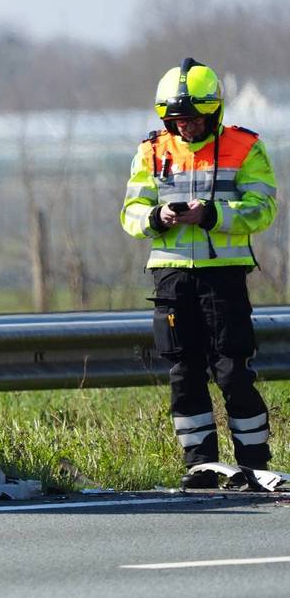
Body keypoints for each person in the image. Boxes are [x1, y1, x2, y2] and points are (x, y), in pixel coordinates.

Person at [120, 57, 278, 487]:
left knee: (231, 370)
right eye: (177, 120)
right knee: (184, 371)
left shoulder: (245, 147)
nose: (185, 127)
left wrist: (211, 214)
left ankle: (255, 462)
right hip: (171, 278)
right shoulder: (151, 151)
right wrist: (158, 217)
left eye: (193, 119)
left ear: (214, 113)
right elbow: (131, 213)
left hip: (223, 274)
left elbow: (262, 209)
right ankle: (200, 463)